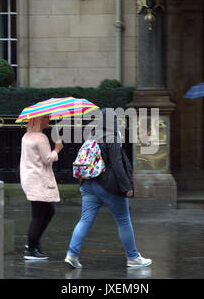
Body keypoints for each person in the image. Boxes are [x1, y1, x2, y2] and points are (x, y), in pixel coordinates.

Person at [64, 108, 152, 269]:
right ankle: (133, 257)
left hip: (88, 184)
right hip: (107, 186)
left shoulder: (91, 136)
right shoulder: (112, 138)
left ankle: (72, 254)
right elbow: (117, 165)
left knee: (85, 220)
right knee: (123, 220)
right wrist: (127, 187)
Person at [20, 115, 63, 260]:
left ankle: (34, 242)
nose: (48, 121)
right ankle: (31, 249)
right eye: (45, 118)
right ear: (38, 121)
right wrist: (57, 149)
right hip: (38, 180)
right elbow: (47, 159)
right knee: (40, 215)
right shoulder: (41, 138)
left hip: (30, 179)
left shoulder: (26, 136)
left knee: (47, 212)